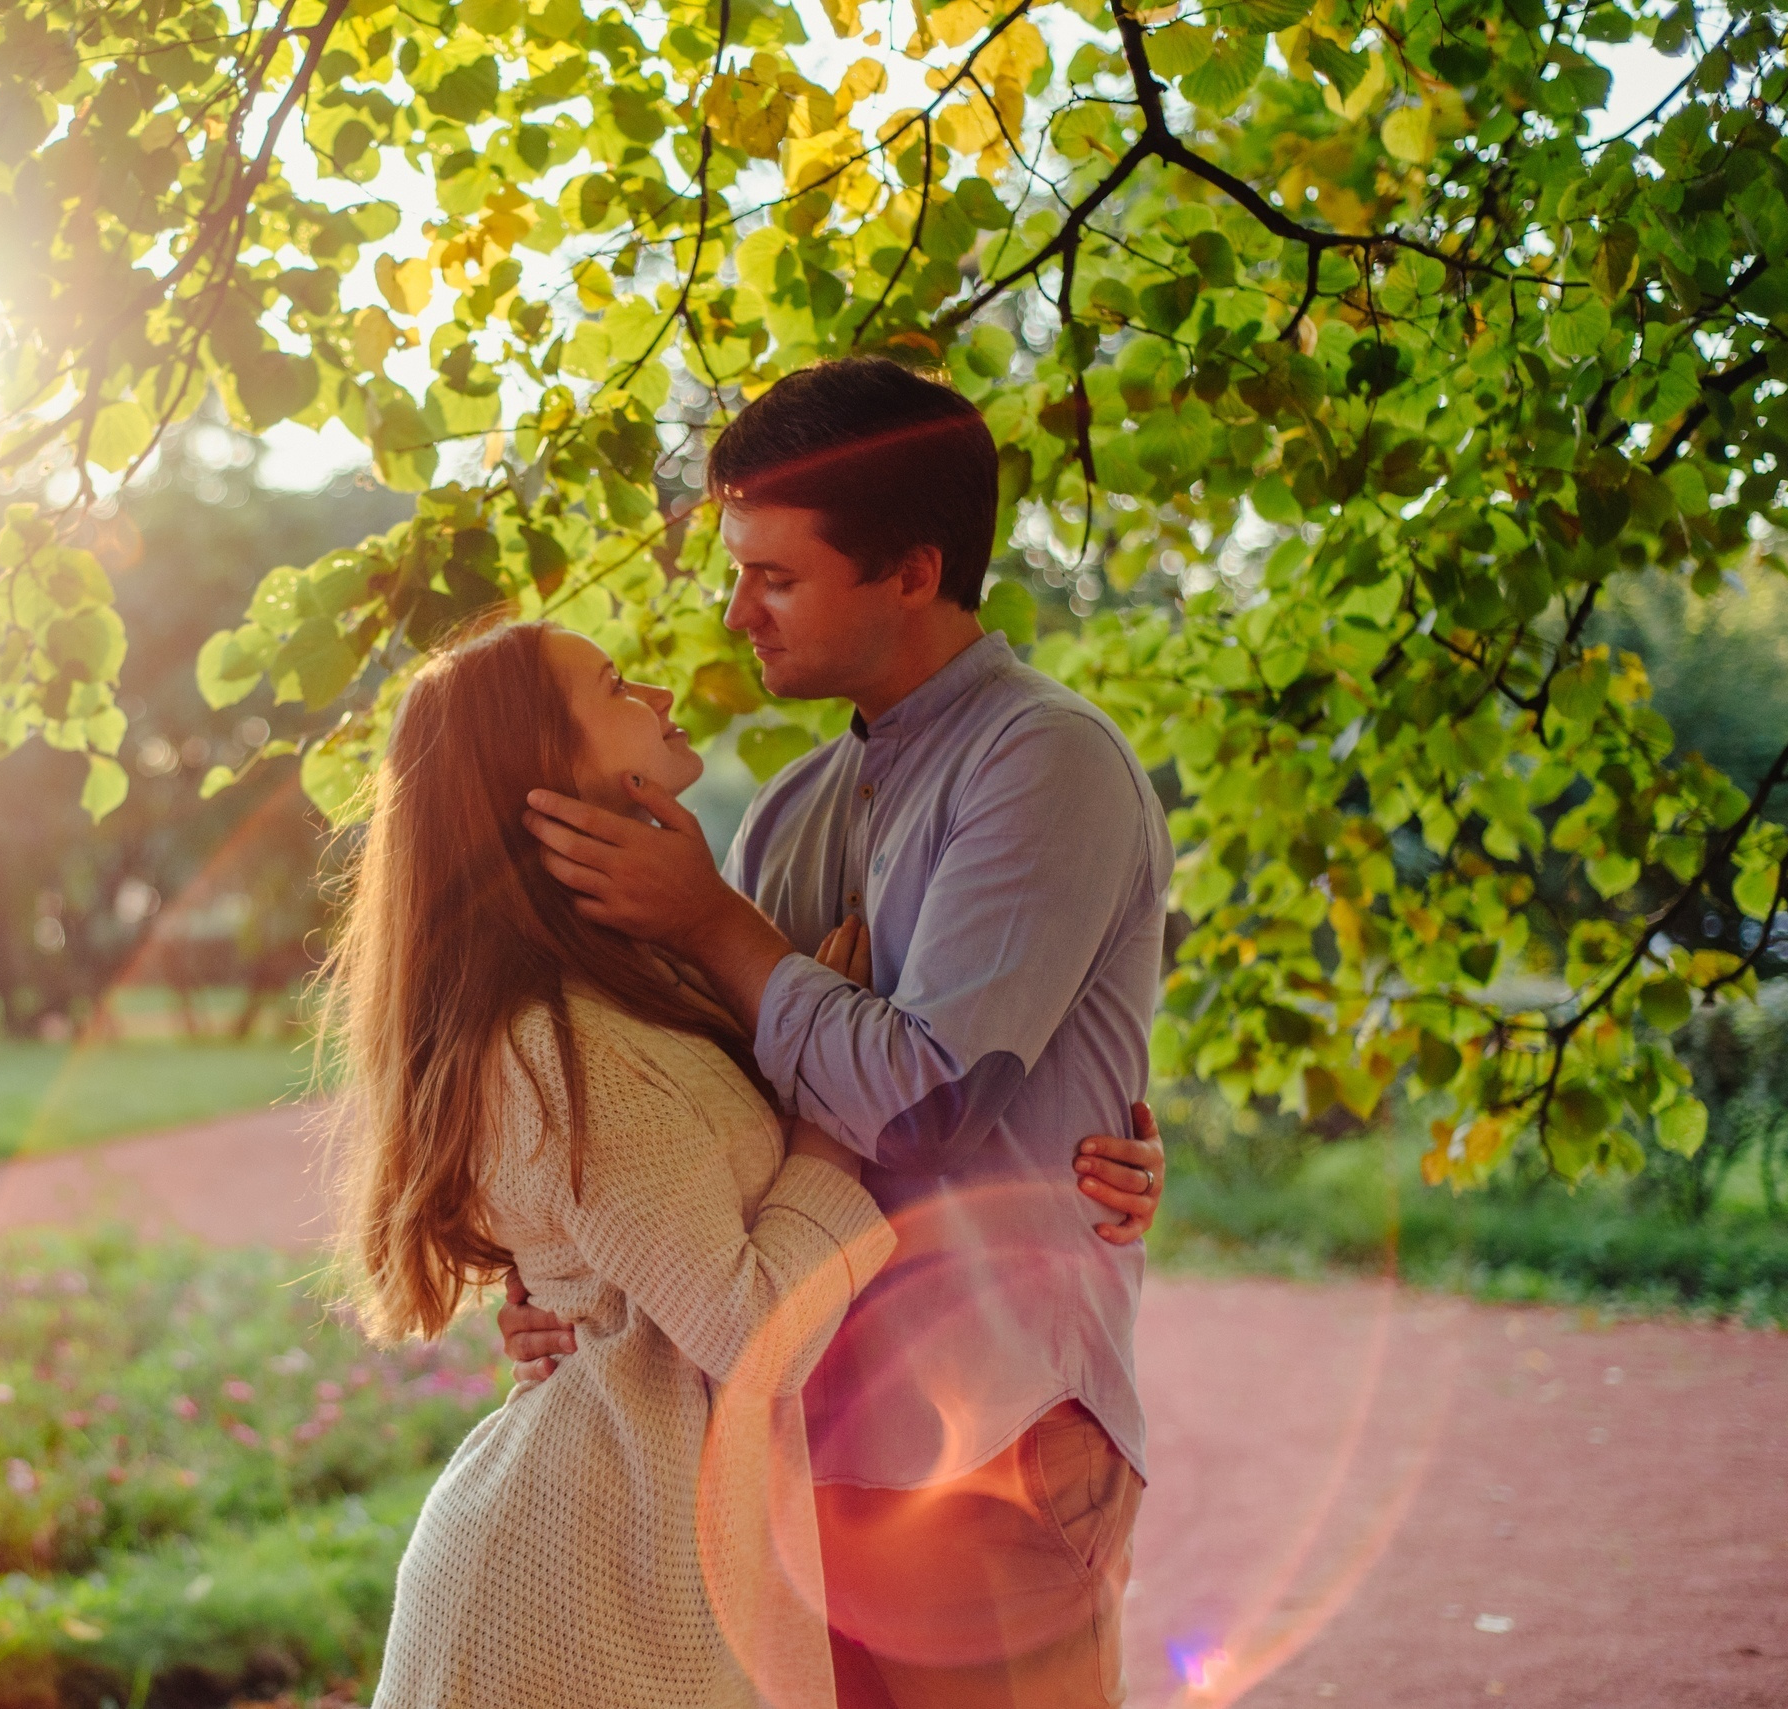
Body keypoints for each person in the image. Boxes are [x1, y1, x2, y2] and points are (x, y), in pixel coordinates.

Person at [331, 619, 1166, 1709]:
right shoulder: (569, 1030)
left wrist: (1074, 1146)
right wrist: (832, 1117)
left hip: (749, 1526)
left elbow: (711, 1165)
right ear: (544, 770)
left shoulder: (650, 962)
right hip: (579, 1591)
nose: (669, 681)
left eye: (775, 576)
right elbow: (743, 1307)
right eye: (614, 685)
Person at [510, 357, 1174, 1708]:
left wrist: (715, 925)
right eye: (737, 571)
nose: (735, 611)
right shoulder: (792, 804)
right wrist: (557, 1282)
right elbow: (737, 1120)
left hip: (988, 1449)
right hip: (799, 1459)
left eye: (776, 577)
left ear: (912, 573)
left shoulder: (1045, 761)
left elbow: (927, 1105)